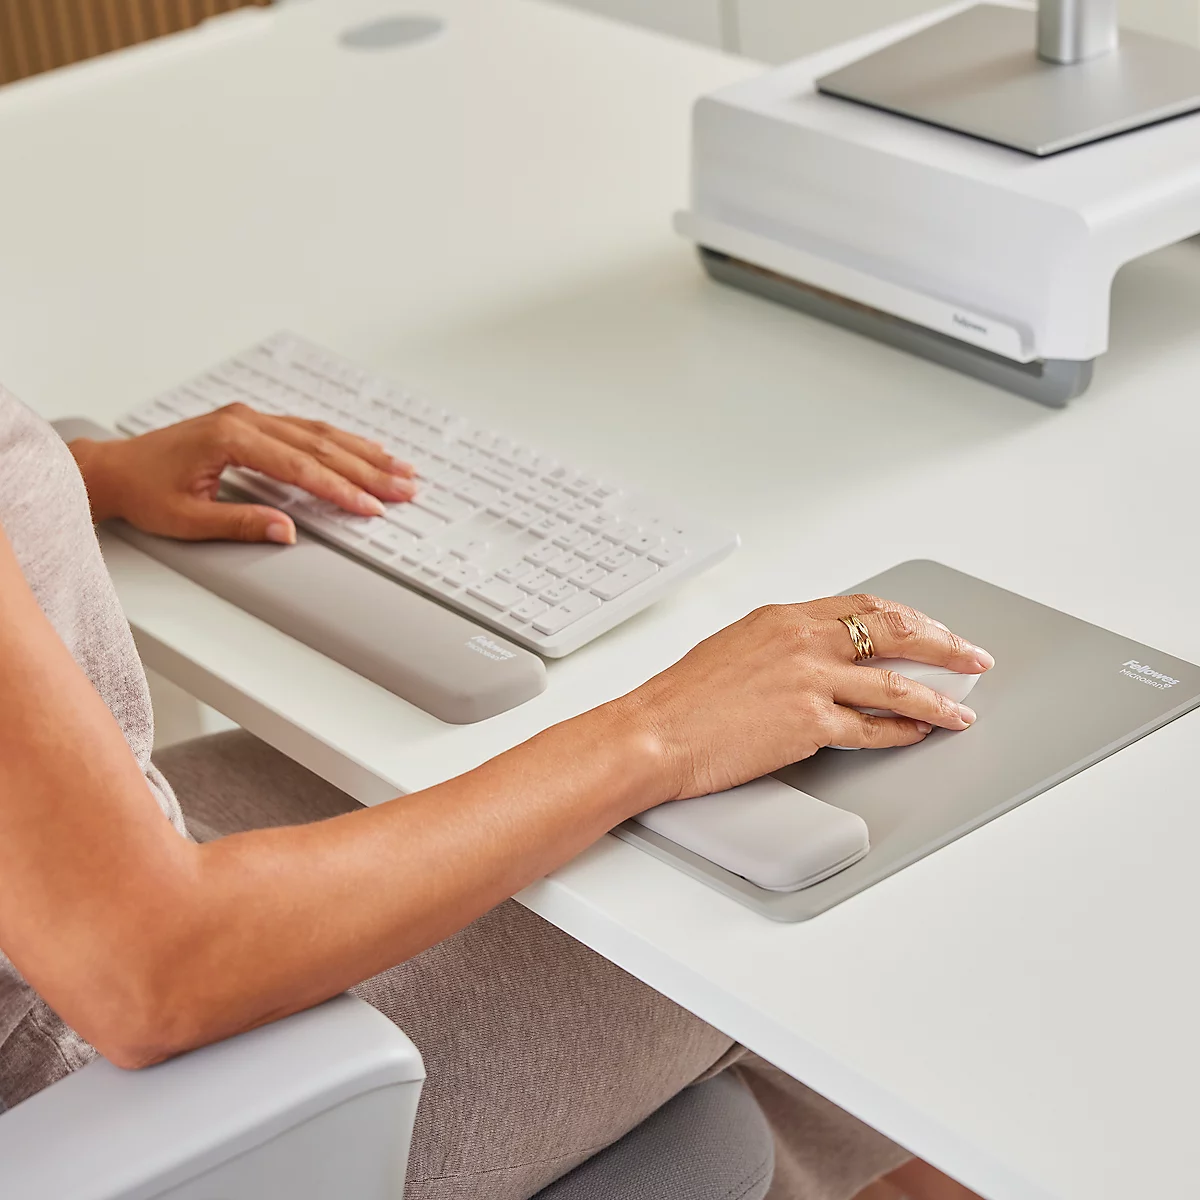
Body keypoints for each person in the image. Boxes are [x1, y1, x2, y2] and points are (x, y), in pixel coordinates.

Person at [0, 387, 988, 1200]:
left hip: (74, 898)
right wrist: (664, 728)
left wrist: (70, 476)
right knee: (758, 914)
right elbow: (150, 975)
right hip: (103, 1087)